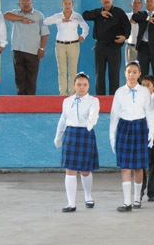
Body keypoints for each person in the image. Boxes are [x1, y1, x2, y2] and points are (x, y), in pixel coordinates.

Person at [110, 62, 154, 212]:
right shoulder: (119, 92)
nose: (131, 75)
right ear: (125, 73)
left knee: (138, 167)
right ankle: (126, 202)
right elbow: (114, 115)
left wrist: (151, 133)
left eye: (134, 72)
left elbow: (150, 112)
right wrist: (112, 136)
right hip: (124, 128)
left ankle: (137, 199)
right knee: (125, 166)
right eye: (129, 71)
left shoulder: (144, 92)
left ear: (139, 74)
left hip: (140, 127)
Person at [53, 72, 100, 212]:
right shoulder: (67, 101)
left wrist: (91, 122)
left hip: (86, 133)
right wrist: (58, 135)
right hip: (71, 135)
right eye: (79, 84)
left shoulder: (93, 100)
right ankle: (71, 203)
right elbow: (63, 119)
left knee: (85, 170)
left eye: (85, 85)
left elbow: (94, 114)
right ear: (74, 85)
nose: (82, 87)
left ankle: (88, 195)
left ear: (88, 86)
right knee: (70, 170)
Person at [83, 0, 130, 95]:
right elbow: (85, 15)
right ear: (101, 0)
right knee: (99, 74)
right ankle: (100, 98)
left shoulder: (119, 12)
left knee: (114, 75)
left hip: (114, 47)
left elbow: (127, 25)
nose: (106, 0)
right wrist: (100, 13)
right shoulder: (97, 13)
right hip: (100, 47)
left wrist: (125, 36)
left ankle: (113, 99)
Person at [4, 0, 49, 95]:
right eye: (23, 2)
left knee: (31, 79)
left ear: (31, 2)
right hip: (18, 51)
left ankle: (31, 101)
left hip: (33, 52)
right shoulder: (15, 13)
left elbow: (45, 34)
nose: (26, 4)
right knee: (19, 78)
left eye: (28, 2)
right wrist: (21, 19)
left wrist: (42, 49)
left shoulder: (39, 15)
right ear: (19, 4)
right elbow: (6, 15)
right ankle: (21, 100)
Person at [44, 0, 89, 96]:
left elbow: (85, 27)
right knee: (62, 70)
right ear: (62, 5)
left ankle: (72, 92)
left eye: (69, 3)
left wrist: (83, 36)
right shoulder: (58, 16)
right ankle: (62, 93)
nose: (67, 5)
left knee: (73, 70)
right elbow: (45, 21)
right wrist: (60, 20)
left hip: (73, 45)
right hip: (60, 45)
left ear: (72, 5)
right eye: (65, 3)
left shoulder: (77, 16)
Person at [132, 0, 154, 88]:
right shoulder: (141, 14)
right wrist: (148, 19)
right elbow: (134, 18)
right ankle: (142, 94)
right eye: (147, 1)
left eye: (151, 1)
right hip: (143, 47)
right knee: (142, 73)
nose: (149, 3)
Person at [125, 0, 143, 65]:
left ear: (141, 6)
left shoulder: (145, 16)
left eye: (138, 3)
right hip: (131, 47)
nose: (136, 5)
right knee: (130, 68)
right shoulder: (126, 16)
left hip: (142, 47)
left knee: (142, 69)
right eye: (134, 3)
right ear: (131, 5)